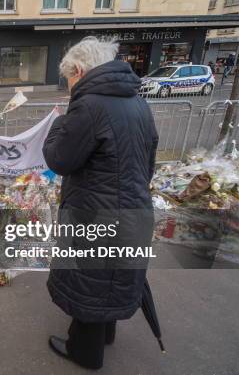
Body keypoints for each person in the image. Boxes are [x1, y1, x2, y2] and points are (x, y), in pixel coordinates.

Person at [42, 37, 158, 370]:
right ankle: (105, 334)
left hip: (97, 210)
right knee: (112, 274)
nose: (70, 86)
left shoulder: (89, 105)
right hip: (134, 206)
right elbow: (148, 160)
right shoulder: (136, 102)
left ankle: (85, 351)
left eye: (69, 79)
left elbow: (60, 159)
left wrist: (58, 125)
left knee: (91, 277)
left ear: (78, 70)